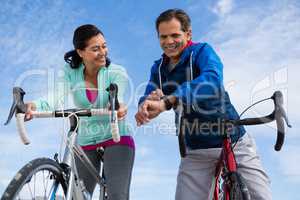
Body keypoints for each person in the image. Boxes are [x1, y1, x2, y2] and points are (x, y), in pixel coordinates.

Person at [135, 9, 271, 200]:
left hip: (232, 138)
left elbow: (212, 81)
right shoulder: (158, 68)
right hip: (196, 147)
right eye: (163, 36)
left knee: (260, 196)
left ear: (188, 34)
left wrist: (170, 100)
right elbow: (150, 92)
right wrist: (146, 106)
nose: (168, 41)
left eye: (175, 35)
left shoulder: (202, 51)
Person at [25, 24, 135, 199]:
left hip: (116, 137)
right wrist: (36, 105)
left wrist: (118, 105)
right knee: (79, 196)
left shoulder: (116, 72)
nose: (103, 52)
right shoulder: (70, 72)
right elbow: (56, 95)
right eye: (95, 49)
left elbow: (117, 96)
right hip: (86, 139)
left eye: (104, 46)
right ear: (81, 52)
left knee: (117, 195)